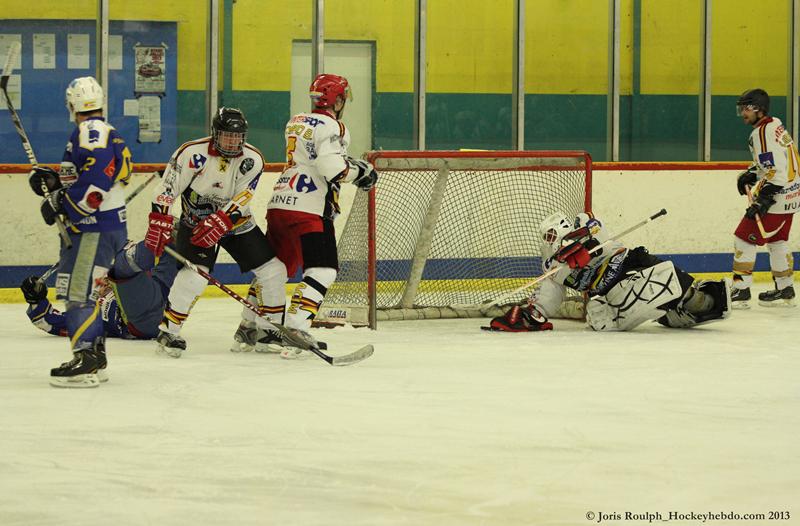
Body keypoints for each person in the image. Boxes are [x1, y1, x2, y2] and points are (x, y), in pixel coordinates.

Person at [243, 73, 378, 358]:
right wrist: (358, 172)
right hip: (309, 208)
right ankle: (296, 328)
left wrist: (346, 163)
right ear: (337, 100)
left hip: (280, 202)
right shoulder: (334, 126)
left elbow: (312, 157)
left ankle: (253, 328)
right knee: (323, 270)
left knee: (274, 270)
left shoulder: (296, 121)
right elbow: (332, 169)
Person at [146, 107, 285, 358]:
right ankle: (169, 331)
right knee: (196, 276)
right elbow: (167, 188)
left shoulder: (252, 159)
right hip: (195, 222)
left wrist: (222, 220)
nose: (232, 142)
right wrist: (159, 219)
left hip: (236, 223)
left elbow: (244, 196)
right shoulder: (192, 153)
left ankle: (266, 332)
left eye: (237, 136)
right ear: (215, 133)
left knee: (273, 270)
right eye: (227, 136)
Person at [27, 76, 132, 388]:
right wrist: (55, 184)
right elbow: (91, 175)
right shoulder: (104, 131)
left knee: (78, 293)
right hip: (104, 227)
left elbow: (96, 185)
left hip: (93, 229)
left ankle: (85, 358)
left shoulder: (91, 131)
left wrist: (63, 203)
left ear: (71, 104)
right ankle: (96, 358)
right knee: (86, 293)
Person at [487, 211, 732, 332]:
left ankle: (699, 302)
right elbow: (550, 296)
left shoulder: (583, 223)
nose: (549, 240)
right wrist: (534, 314)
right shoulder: (553, 267)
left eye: (552, 235)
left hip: (630, 264)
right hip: (607, 292)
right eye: (546, 237)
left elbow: (597, 230)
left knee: (669, 278)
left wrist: (581, 245)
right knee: (599, 315)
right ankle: (665, 308)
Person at [21, 240, 179, 341]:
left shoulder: (125, 282)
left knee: (171, 240)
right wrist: (35, 298)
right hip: (142, 322)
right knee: (124, 262)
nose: (102, 281)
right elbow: (46, 321)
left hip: (160, 301)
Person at [730, 88, 800, 308]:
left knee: (743, 237)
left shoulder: (762, 133)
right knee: (777, 241)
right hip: (792, 195)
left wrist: (763, 200)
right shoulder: (775, 125)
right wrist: (753, 173)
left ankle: (741, 290)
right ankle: (785, 288)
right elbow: (776, 163)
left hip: (778, 197)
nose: (743, 113)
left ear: (759, 109)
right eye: (741, 109)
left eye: (746, 108)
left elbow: (776, 173)